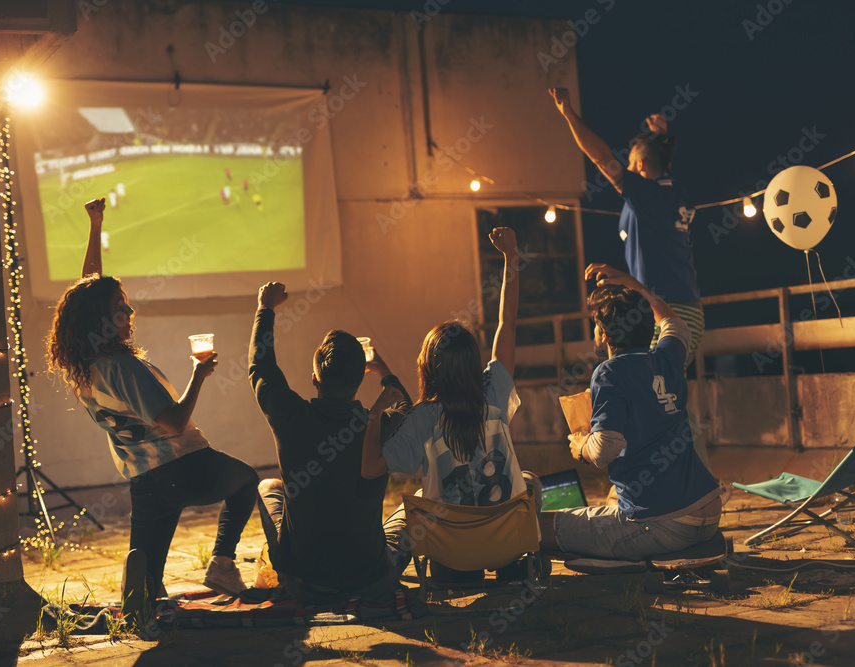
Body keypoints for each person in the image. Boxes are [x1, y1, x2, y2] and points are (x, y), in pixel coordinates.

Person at [46, 197, 258, 615]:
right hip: (185, 465)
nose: (129, 310)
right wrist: (199, 373)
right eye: (119, 307)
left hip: (146, 482)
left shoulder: (87, 366)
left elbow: (89, 291)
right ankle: (222, 563)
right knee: (248, 481)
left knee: (143, 590)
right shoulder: (123, 367)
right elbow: (175, 423)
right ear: (102, 321)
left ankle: (147, 606)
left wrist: (95, 227)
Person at [361, 227, 540, 582]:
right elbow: (508, 322)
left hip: (452, 558)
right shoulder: (494, 395)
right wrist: (510, 257)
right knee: (529, 481)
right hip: (505, 546)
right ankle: (513, 567)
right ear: (475, 362)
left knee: (416, 499)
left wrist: (372, 415)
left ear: (428, 367)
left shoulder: (424, 417)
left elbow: (369, 469)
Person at [538, 264, 720, 560]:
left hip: (662, 524)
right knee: (606, 509)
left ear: (605, 336)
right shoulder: (668, 357)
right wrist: (634, 285)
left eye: (596, 327)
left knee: (538, 527)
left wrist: (581, 444)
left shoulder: (609, 373)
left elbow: (604, 451)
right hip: (709, 512)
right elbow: (674, 323)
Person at [250, 282, 412, 602]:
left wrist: (264, 308)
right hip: (372, 579)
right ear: (359, 380)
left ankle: (283, 563)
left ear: (315, 380)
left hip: (303, 582)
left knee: (267, 487)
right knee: (415, 508)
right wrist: (383, 371)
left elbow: (261, 367)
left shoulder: (289, 416)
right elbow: (405, 406)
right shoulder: (381, 425)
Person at [548, 87, 703, 368]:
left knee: (647, 389)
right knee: (657, 391)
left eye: (630, 163)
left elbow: (600, 157)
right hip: (683, 307)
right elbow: (659, 166)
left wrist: (568, 114)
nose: (625, 169)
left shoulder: (646, 195)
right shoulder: (671, 193)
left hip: (666, 308)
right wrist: (660, 137)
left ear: (640, 164)